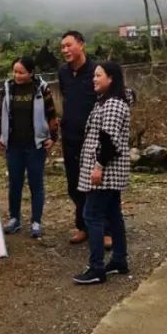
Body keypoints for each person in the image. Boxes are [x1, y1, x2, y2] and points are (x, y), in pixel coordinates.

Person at [73, 61, 133, 285]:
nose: (94, 79)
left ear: (111, 79)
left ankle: (97, 267)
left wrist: (98, 167)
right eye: (94, 76)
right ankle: (118, 260)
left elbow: (109, 141)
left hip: (106, 172)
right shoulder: (107, 102)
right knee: (113, 215)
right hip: (108, 172)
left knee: (92, 216)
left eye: (99, 75)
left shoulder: (113, 105)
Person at [0, 56, 59, 239]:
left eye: (21, 72)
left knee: (35, 183)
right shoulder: (8, 88)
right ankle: (14, 219)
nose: (17, 75)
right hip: (13, 144)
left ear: (31, 72)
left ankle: (36, 221)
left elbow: (51, 113)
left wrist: (53, 136)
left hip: (35, 145)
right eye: (15, 71)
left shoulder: (41, 89)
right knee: (15, 183)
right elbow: (1, 112)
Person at [57, 30, 110, 247]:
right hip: (70, 137)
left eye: (69, 45)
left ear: (81, 44)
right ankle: (83, 226)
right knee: (74, 184)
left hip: (93, 137)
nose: (65, 50)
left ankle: (107, 230)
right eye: (62, 47)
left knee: (98, 185)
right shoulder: (63, 73)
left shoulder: (97, 71)